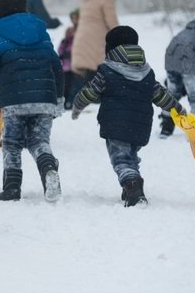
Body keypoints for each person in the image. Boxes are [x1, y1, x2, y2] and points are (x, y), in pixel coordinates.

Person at [71, 26, 186, 207]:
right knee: (130, 156)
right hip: (140, 125)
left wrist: (77, 106)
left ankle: (132, 186)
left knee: (121, 159)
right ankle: (131, 189)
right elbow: (160, 94)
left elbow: (90, 92)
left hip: (116, 124)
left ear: (110, 48)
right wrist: (176, 108)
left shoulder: (107, 70)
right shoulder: (146, 72)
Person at [0, 0, 64, 202]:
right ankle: (48, 168)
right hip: (44, 99)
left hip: (13, 102)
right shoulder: (39, 28)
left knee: (12, 143)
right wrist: (59, 96)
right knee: (39, 140)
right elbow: (55, 64)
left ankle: (12, 187)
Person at [72, 0, 118, 81]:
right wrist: (123, 38)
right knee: (98, 84)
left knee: (86, 84)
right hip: (96, 44)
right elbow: (112, 24)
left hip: (82, 43)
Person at [57, 8, 83, 110]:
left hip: (78, 63)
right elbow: (62, 46)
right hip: (67, 64)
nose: (74, 20)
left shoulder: (85, 31)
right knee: (66, 85)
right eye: (73, 18)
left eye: (76, 18)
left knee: (75, 86)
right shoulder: (69, 31)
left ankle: (71, 103)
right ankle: (65, 103)